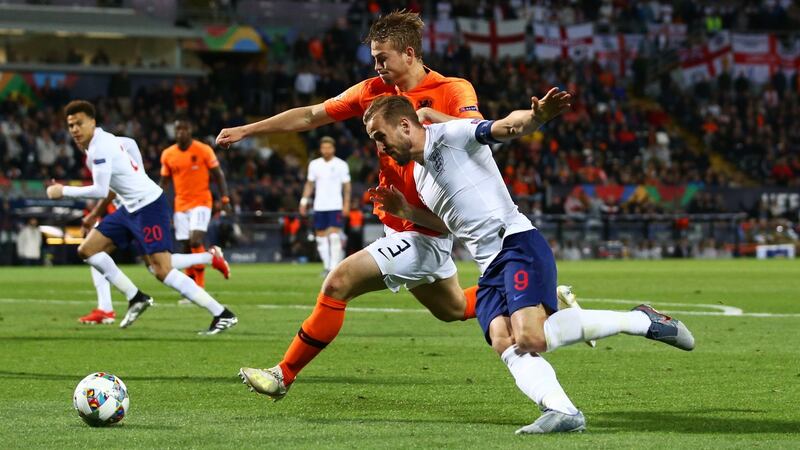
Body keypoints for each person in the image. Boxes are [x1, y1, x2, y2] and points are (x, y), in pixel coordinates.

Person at [232, 10, 587, 400]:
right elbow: (314, 114)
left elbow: (475, 133)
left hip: (426, 224)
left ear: (409, 53)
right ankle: (547, 296)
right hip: (399, 220)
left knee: (339, 281)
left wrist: (433, 118)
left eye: (383, 57)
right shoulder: (371, 91)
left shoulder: (452, 89)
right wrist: (249, 129)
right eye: (373, 58)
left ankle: (282, 374)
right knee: (451, 308)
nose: (377, 65)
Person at [363, 93, 695, 434]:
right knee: (502, 340)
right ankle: (562, 410)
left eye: (380, 136)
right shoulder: (419, 177)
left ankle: (640, 319)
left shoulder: (452, 136)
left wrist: (537, 118)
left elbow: (506, 126)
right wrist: (405, 212)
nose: (379, 147)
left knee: (531, 338)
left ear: (404, 125)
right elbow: (451, 224)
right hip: (489, 267)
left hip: (516, 244)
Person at [47, 100, 237, 335]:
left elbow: (99, 189)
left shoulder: (98, 149)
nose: (75, 129)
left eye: (79, 123)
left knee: (161, 270)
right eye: (71, 125)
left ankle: (222, 313)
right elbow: (130, 147)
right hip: (129, 208)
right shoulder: (106, 141)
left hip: (149, 207)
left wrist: (62, 191)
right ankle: (135, 296)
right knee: (88, 250)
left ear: (93, 123)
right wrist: (133, 178)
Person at [78, 136, 231, 325]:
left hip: (140, 211)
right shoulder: (109, 148)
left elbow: (110, 189)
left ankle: (115, 305)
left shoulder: (105, 151)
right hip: (132, 211)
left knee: (159, 266)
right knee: (149, 264)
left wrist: (93, 213)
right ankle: (108, 307)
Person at [160, 117, 232, 291]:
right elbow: (164, 182)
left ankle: (200, 280)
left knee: (195, 241)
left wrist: (225, 199)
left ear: (190, 130)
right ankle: (190, 282)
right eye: (177, 129)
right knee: (185, 246)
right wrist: (157, 204)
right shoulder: (168, 154)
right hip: (180, 205)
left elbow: (218, 175)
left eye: (184, 129)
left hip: (201, 202)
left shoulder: (203, 150)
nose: (180, 133)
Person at [299, 136, 351, 274]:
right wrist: (303, 201)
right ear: (320, 149)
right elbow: (309, 184)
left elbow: (347, 187)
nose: (326, 150)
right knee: (320, 237)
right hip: (319, 206)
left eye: (329, 147)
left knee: (334, 236)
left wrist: (346, 204)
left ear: (333, 148)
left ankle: (334, 268)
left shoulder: (341, 164)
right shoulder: (314, 164)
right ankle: (326, 266)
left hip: (335, 205)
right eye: (324, 147)